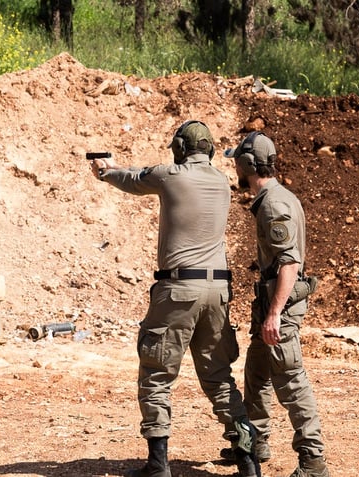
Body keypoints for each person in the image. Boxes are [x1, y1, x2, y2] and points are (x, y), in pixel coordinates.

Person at [89, 121, 260, 477]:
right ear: (210, 149)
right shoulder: (221, 182)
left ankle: (158, 463)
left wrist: (106, 172)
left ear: (180, 147)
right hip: (218, 291)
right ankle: (247, 459)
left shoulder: (169, 175)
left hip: (178, 289)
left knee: (156, 373)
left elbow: (135, 180)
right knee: (217, 375)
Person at [227, 131, 330, 477]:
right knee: (256, 372)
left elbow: (289, 264)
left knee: (291, 380)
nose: (236, 168)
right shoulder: (275, 197)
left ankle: (313, 461)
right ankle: (255, 443)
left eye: (238, 162)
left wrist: (274, 313)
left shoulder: (273, 204)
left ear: (247, 165)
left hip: (280, 307)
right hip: (271, 302)